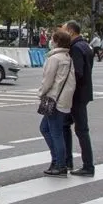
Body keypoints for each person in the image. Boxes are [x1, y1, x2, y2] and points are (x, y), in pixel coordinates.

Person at [38, 30, 76, 176]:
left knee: (54, 132)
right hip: (64, 99)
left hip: (54, 99)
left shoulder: (54, 59)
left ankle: (60, 164)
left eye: (52, 39)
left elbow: (48, 80)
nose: (50, 41)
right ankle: (58, 160)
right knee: (47, 129)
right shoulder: (68, 57)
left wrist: (41, 93)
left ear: (56, 42)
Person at [62, 20, 95, 176]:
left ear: (70, 31)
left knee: (81, 130)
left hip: (77, 94)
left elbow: (78, 73)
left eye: (64, 30)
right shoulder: (86, 46)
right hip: (84, 92)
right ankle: (67, 161)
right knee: (66, 124)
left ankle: (87, 165)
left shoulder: (75, 48)